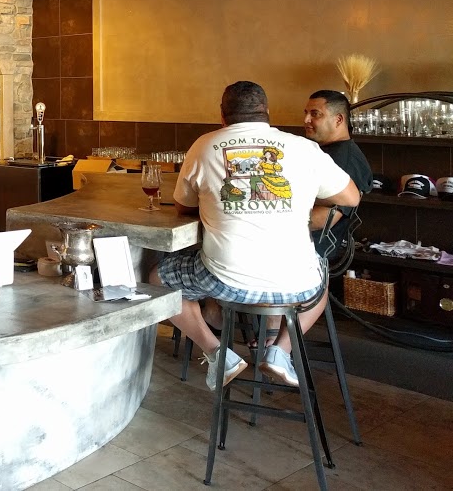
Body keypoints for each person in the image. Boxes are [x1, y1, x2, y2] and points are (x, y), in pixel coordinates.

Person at [151, 81, 360, 391]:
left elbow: (183, 205)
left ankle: (217, 352)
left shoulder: (204, 145)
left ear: (222, 115)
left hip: (225, 283)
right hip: (298, 286)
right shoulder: (303, 148)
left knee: (157, 279)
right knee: (322, 279)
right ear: (267, 113)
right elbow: (351, 197)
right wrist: (297, 204)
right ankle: (280, 352)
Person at [303, 89, 372, 253]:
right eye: (306, 113)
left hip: (311, 251)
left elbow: (324, 218)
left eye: (315, 114)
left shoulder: (345, 161)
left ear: (338, 119)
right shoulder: (322, 151)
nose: (306, 120)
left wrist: (276, 222)